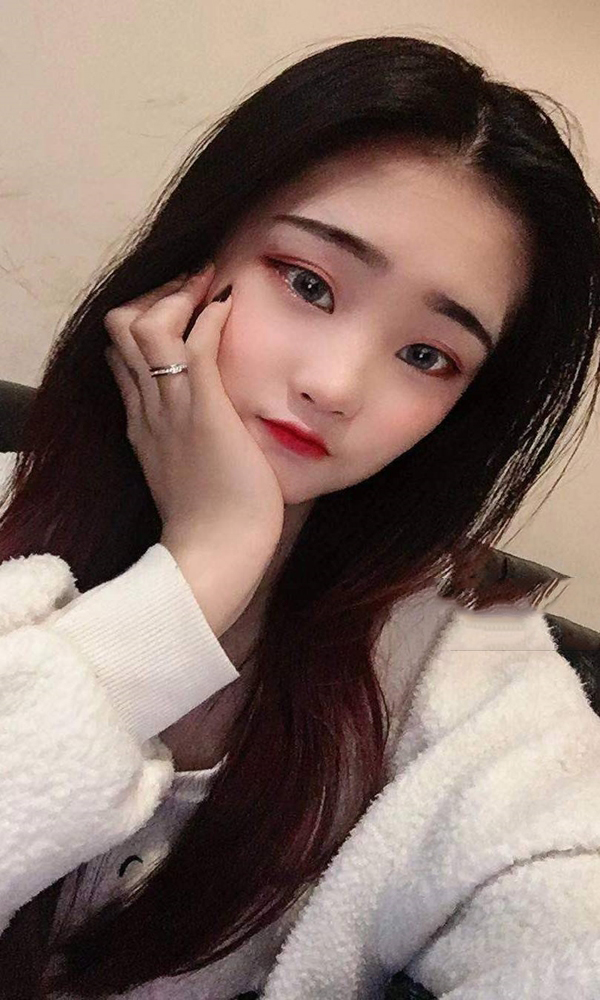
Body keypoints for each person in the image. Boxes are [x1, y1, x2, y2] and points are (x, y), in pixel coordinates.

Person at [0, 33, 599, 1000]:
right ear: (197, 259)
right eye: (308, 283)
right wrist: (199, 574)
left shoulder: (464, 675)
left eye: (427, 356)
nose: (335, 384)